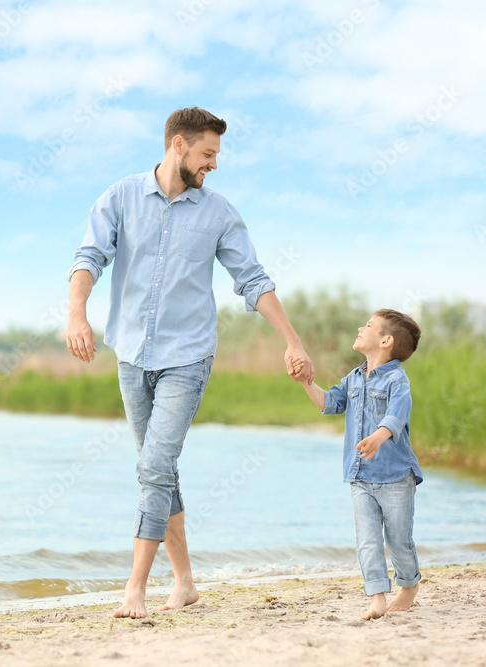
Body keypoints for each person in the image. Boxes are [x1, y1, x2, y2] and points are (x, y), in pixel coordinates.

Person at [66, 107, 313, 618]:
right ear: (178, 145)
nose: (214, 164)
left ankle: (135, 589)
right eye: (207, 153)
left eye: (216, 155)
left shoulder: (219, 213)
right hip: (131, 354)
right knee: (162, 471)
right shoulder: (121, 197)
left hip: (188, 356)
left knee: (153, 467)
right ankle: (185, 582)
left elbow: (253, 279)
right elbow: (89, 256)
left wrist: (292, 339)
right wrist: (77, 314)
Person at [293, 308, 423, 620]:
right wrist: (306, 383)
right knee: (367, 540)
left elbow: (398, 413)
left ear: (386, 341)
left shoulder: (397, 379)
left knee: (398, 541)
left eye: (368, 326)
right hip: (360, 476)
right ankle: (377, 597)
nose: (360, 328)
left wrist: (379, 437)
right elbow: (330, 403)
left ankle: (408, 585)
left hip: (395, 478)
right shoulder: (353, 378)